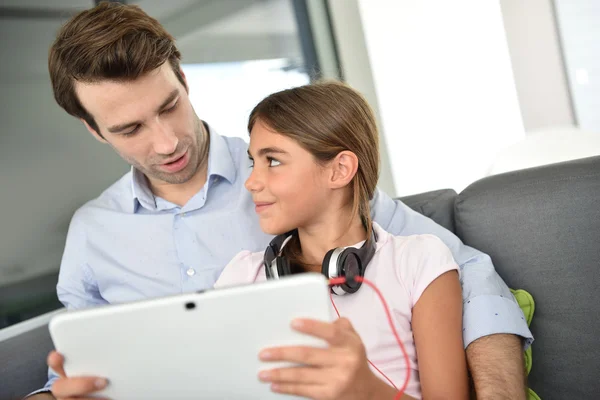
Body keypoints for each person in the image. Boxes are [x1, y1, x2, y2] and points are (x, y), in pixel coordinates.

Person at [28, 2, 532, 399]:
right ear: (94, 130)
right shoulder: (92, 233)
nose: (165, 142)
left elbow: (468, 274)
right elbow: (79, 365)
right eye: (130, 128)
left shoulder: (303, 178)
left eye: (169, 107)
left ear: (183, 79)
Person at [213, 81, 468, 399]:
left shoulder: (418, 260)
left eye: (273, 161)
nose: (251, 182)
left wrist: (366, 389)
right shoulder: (242, 276)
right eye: (254, 162)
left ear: (339, 170)